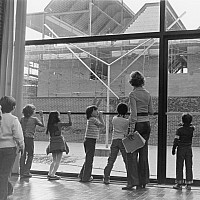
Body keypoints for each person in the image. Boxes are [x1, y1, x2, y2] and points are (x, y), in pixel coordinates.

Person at [122, 71, 154, 190]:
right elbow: (151, 111)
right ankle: (144, 181)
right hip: (146, 124)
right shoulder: (147, 94)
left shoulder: (133, 94)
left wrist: (130, 129)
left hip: (137, 125)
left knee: (131, 154)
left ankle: (132, 182)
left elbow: (134, 114)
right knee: (144, 153)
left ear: (132, 82)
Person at [0, 96, 24, 200]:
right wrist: (22, 146)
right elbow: (18, 135)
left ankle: (8, 191)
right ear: (13, 107)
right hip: (9, 149)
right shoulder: (13, 119)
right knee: (4, 175)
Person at [103, 103, 129, 184]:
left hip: (114, 140)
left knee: (111, 160)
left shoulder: (114, 119)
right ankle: (130, 178)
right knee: (126, 160)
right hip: (123, 141)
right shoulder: (126, 121)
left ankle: (106, 177)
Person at [79, 105, 105, 182]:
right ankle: (86, 177)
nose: (97, 112)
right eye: (96, 110)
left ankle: (82, 175)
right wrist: (101, 117)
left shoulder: (91, 119)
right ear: (91, 112)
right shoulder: (93, 119)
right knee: (89, 160)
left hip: (88, 140)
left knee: (88, 159)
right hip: (90, 141)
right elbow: (102, 126)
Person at [19, 104, 44, 178]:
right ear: (31, 112)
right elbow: (42, 125)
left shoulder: (22, 119)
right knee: (30, 155)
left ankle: (22, 171)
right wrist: (42, 116)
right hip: (30, 138)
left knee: (23, 155)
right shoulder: (34, 119)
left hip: (23, 138)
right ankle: (27, 171)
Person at [46, 111, 72, 180]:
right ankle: (53, 174)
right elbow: (69, 124)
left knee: (54, 160)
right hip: (59, 143)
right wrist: (69, 115)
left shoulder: (49, 125)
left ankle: (49, 173)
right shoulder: (59, 124)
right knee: (58, 160)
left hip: (53, 142)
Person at [172, 113, 194, 190]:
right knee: (189, 165)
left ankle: (179, 183)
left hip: (181, 149)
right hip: (188, 149)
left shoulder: (179, 130)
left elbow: (176, 140)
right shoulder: (191, 129)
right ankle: (188, 183)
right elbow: (191, 126)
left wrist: (174, 148)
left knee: (179, 165)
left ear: (182, 121)